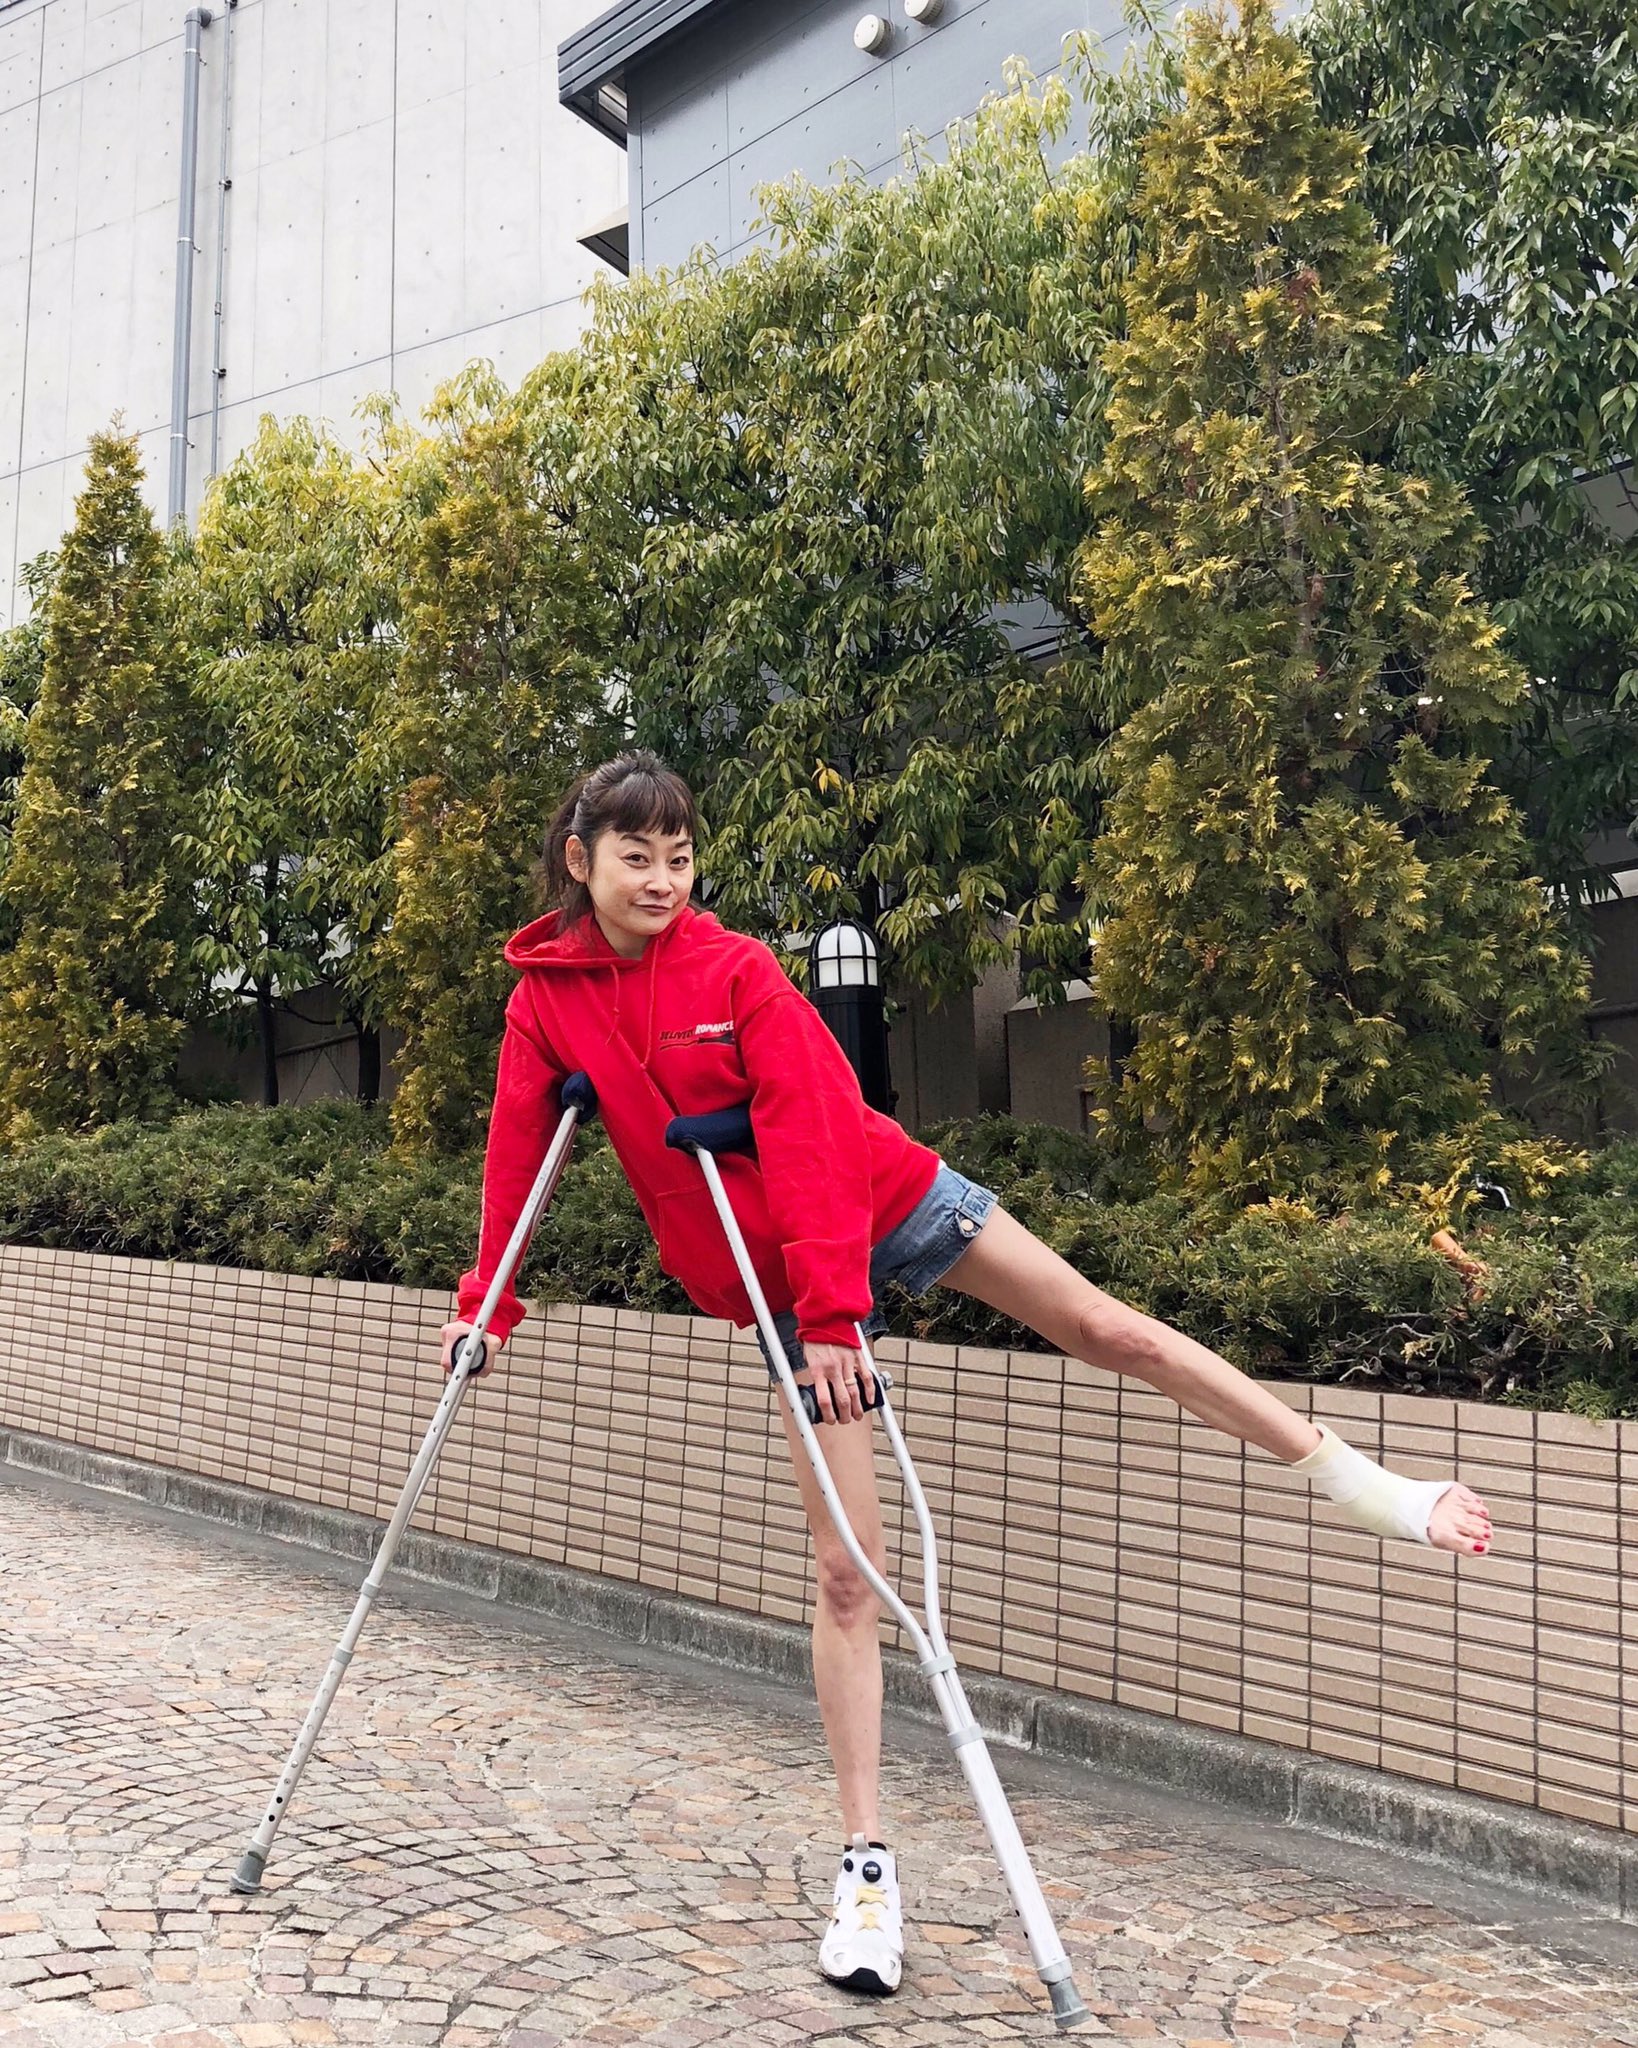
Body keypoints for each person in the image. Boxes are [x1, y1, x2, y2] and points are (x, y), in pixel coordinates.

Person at [443, 750, 1493, 2000]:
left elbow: (812, 1130)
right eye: (637, 857)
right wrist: (487, 1305)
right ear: (582, 860)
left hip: (880, 1206)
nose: (664, 880)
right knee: (848, 1570)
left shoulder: (738, 972)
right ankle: (866, 1869)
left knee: (1109, 1327)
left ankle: (1364, 1484)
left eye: (680, 856)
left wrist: (839, 1315)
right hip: (775, 1288)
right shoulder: (545, 1000)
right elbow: (521, 1148)